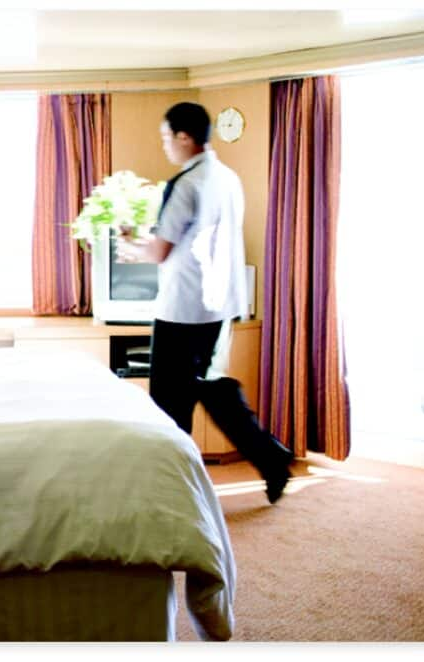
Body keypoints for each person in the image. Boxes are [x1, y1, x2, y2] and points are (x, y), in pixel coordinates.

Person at [130, 101, 294, 504]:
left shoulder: (184, 184)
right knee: (210, 388)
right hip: (218, 306)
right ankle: (269, 457)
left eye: (168, 138)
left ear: (185, 138)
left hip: (182, 309)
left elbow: (160, 251)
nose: (166, 146)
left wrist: (131, 245)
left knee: (170, 404)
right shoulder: (227, 177)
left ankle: (172, 487)